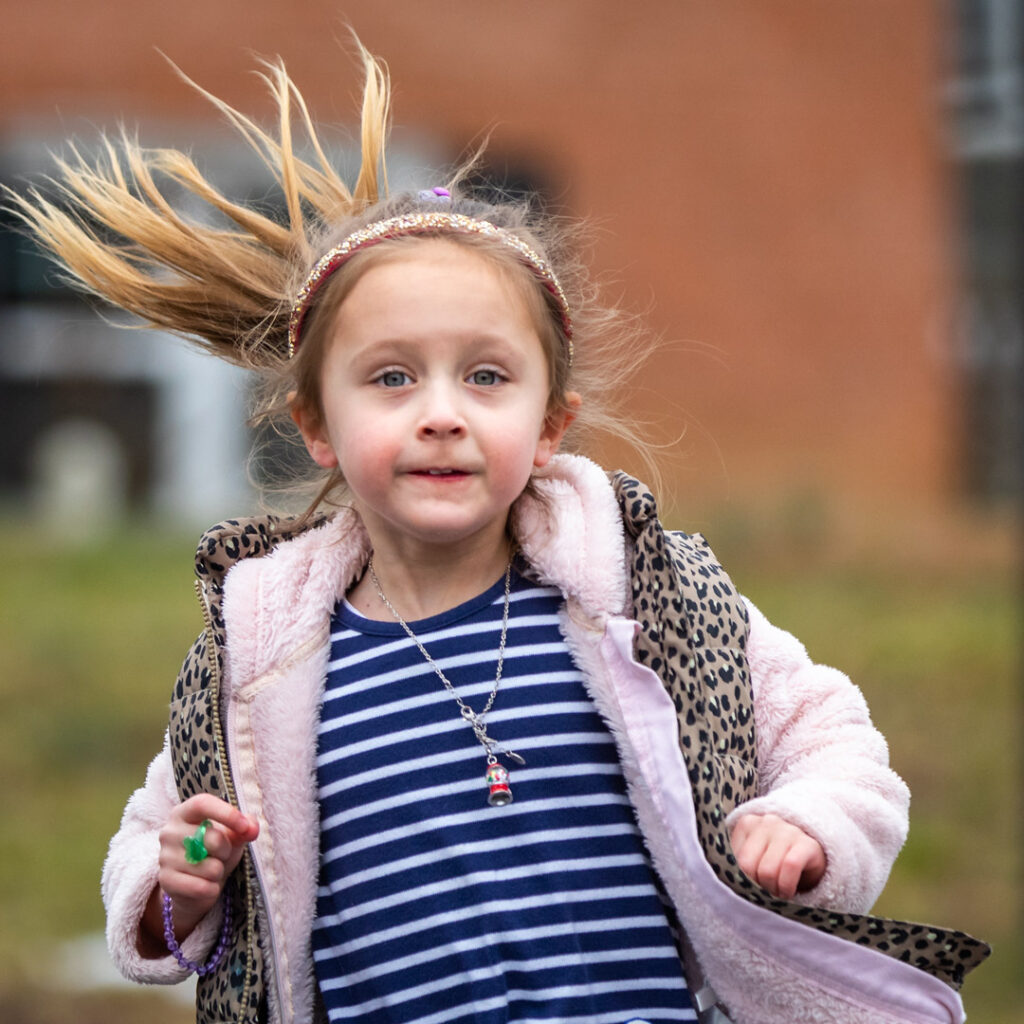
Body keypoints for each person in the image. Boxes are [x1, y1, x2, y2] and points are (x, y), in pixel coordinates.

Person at [8, 39, 986, 1024]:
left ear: (550, 422)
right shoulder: (261, 657)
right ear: (316, 426)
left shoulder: (645, 595)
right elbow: (155, 843)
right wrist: (176, 883)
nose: (442, 413)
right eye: (392, 377)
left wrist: (802, 822)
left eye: (486, 376)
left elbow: (835, 740)